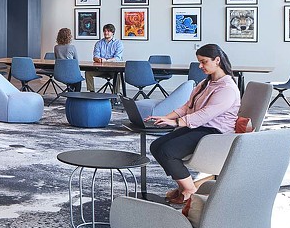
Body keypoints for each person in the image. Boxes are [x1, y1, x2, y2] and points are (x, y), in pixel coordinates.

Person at [146, 44, 241, 205]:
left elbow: (206, 115)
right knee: (156, 146)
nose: (200, 66)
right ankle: (184, 186)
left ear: (217, 60)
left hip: (215, 133)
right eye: (199, 62)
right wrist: (164, 118)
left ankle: (190, 190)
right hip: (200, 127)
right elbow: (187, 106)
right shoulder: (207, 83)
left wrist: (176, 122)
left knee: (168, 152)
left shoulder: (227, 89)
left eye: (203, 62)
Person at [84, 23, 123, 92]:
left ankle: (116, 94)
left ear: (113, 32)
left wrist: (106, 60)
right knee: (88, 72)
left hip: (114, 70)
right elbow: (95, 56)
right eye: (104, 31)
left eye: (108, 31)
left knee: (119, 74)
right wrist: (98, 59)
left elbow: (118, 58)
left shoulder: (118, 43)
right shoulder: (99, 43)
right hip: (100, 69)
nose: (106, 33)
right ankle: (91, 92)